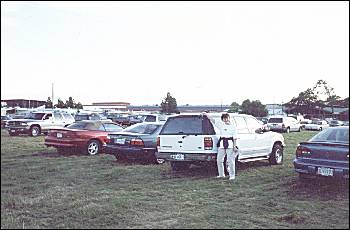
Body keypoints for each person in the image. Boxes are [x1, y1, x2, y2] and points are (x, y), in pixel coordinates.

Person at [216, 113, 238, 180]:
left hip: (230, 144)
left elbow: (235, 137)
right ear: (222, 119)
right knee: (219, 160)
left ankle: (232, 175)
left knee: (230, 160)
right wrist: (206, 114)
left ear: (229, 118)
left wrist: (234, 146)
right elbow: (213, 120)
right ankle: (221, 174)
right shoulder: (221, 125)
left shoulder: (233, 126)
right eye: (224, 118)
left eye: (227, 118)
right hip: (222, 143)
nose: (225, 119)